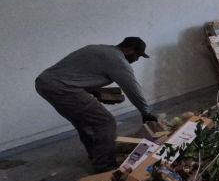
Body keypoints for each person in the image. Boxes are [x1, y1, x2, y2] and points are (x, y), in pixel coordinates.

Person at [35, 37, 157, 172]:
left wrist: (97, 92)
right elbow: (132, 89)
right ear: (129, 49)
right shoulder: (118, 60)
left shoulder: (99, 49)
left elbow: (76, 73)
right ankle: (104, 166)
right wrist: (146, 112)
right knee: (105, 122)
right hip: (63, 89)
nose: (136, 60)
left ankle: (96, 155)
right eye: (137, 55)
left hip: (45, 83)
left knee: (84, 121)